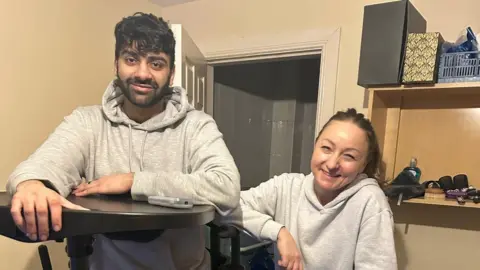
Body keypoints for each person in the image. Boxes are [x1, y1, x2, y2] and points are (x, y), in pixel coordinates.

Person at [6, 12, 240, 270]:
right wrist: (33, 184)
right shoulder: (87, 122)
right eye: (131, 59)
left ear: (171, 74)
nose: (143, 73)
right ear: (116, 64)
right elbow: (42, 164)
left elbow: (226, 187)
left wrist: (132, 181)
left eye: (156, 63)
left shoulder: (196, 126)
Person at [220, 108, 397, 270]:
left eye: (349, 156)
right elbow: (226, 205)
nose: (332, 164)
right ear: (315, 146)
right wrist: (278, 232)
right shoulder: (286, 187)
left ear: (363, 165)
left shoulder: (370, 201)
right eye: (326, 148)